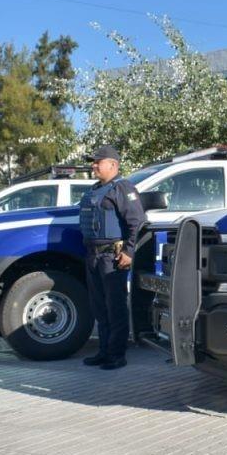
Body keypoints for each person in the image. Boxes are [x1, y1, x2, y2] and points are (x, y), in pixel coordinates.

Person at [80, 145, 146, 370]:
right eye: (93, 161)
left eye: (98, 161)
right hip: (93, 257)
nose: (94, 165)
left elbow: (137, 222)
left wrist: (128, 252)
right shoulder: (96, 189)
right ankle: (104, 351)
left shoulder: (123, 188)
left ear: (113, 165)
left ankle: (117, 354)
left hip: (112, 257)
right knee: (99, 307)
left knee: (115, 307)